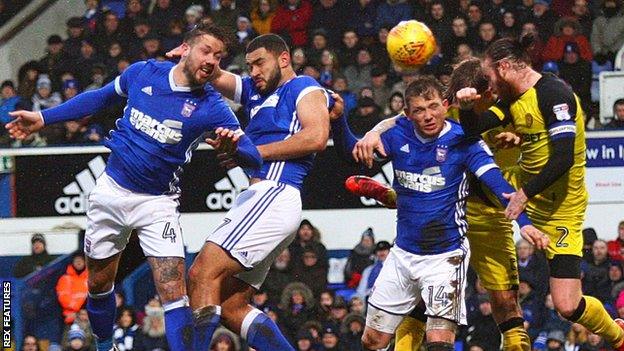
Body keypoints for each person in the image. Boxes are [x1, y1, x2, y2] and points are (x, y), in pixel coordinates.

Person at [6, 23, 262, 351]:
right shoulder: (144, 73)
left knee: (173, 290)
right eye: (206, 50)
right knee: (98, 284)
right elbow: (99, 97)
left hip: (157, 203)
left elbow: (253, 155)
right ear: (185, 49)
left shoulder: (211, 106)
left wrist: (235, 149)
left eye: (219, 56)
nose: (212, 60)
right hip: (111, 191)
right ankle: (105, 346)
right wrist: (44, 118)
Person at [330, 75, 546, 350]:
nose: (428, 115)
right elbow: (353, 154)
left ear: (445, 105)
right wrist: (338, 120)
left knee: (439, 341)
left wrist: (523, 223)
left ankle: (388, 194)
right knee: (373, 341)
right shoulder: (398, 135)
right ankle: (389, 194)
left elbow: (497, 183)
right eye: (419, 110)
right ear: (407, 114)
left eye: (433, 106)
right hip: (403, 254)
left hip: (446, 257)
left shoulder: (463, 140)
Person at [167, 33, 336, 351]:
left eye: (260, 63)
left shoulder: (304, 87)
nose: (254, 72)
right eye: (249, 66)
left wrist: (252, 152)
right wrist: (188, 55)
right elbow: (214, 74)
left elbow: (316, 137)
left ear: (283, 59)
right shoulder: (255, 93)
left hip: (274, 193)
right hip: (263, 200)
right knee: (231, 307)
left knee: (202, 273)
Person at [455, 35, 624, 350]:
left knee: (567, 305)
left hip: (561, 209)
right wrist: (466, 109)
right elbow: (473, 129)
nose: (490, 87)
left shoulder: (554, 94)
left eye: (491, 78)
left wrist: (524, 194)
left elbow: (563, 158)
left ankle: (618, 336)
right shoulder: (512, 98)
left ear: (505, 68)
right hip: (525, 188)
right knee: (469, 186)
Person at [56, 252, 89, 325]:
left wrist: (85, 311)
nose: (79, 262)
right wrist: (79, 311)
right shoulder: (65, 279)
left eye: (81, 260)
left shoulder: (90, 278)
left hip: (89, 317)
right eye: (76, 260)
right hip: (71, 318)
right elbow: (63, 297)